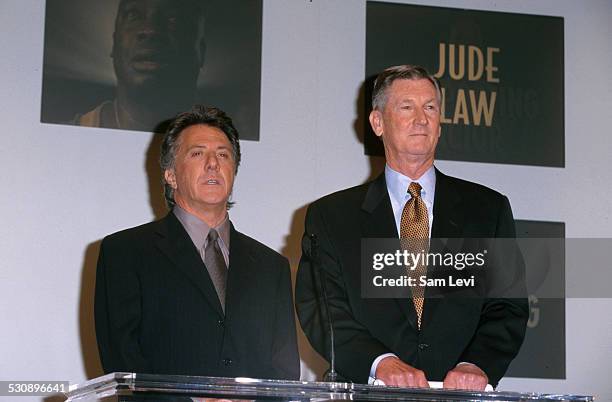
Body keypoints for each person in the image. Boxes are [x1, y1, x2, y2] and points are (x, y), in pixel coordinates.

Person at [295, 65, 528, 390]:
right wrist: (379, 363)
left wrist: (476, 364)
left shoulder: (488, 210)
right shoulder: (332, 217)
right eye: (407, 107)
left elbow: (507, 305)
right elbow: (322, 309)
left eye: (430, 107)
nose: (421, 118)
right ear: (378, 122)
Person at [95, 105, 300, 379]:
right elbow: (123, 360)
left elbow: (284, 369)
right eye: (197, 153)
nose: (213, 163)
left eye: (223, 155)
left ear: (234, 171)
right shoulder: (125, 252)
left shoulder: (271, 266)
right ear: (170, 175)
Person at [74, 0, 206, 131]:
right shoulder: (63, 138)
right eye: (133, 15)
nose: (150, 30)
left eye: (174, 18)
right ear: (114, 44)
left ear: (201, 52)